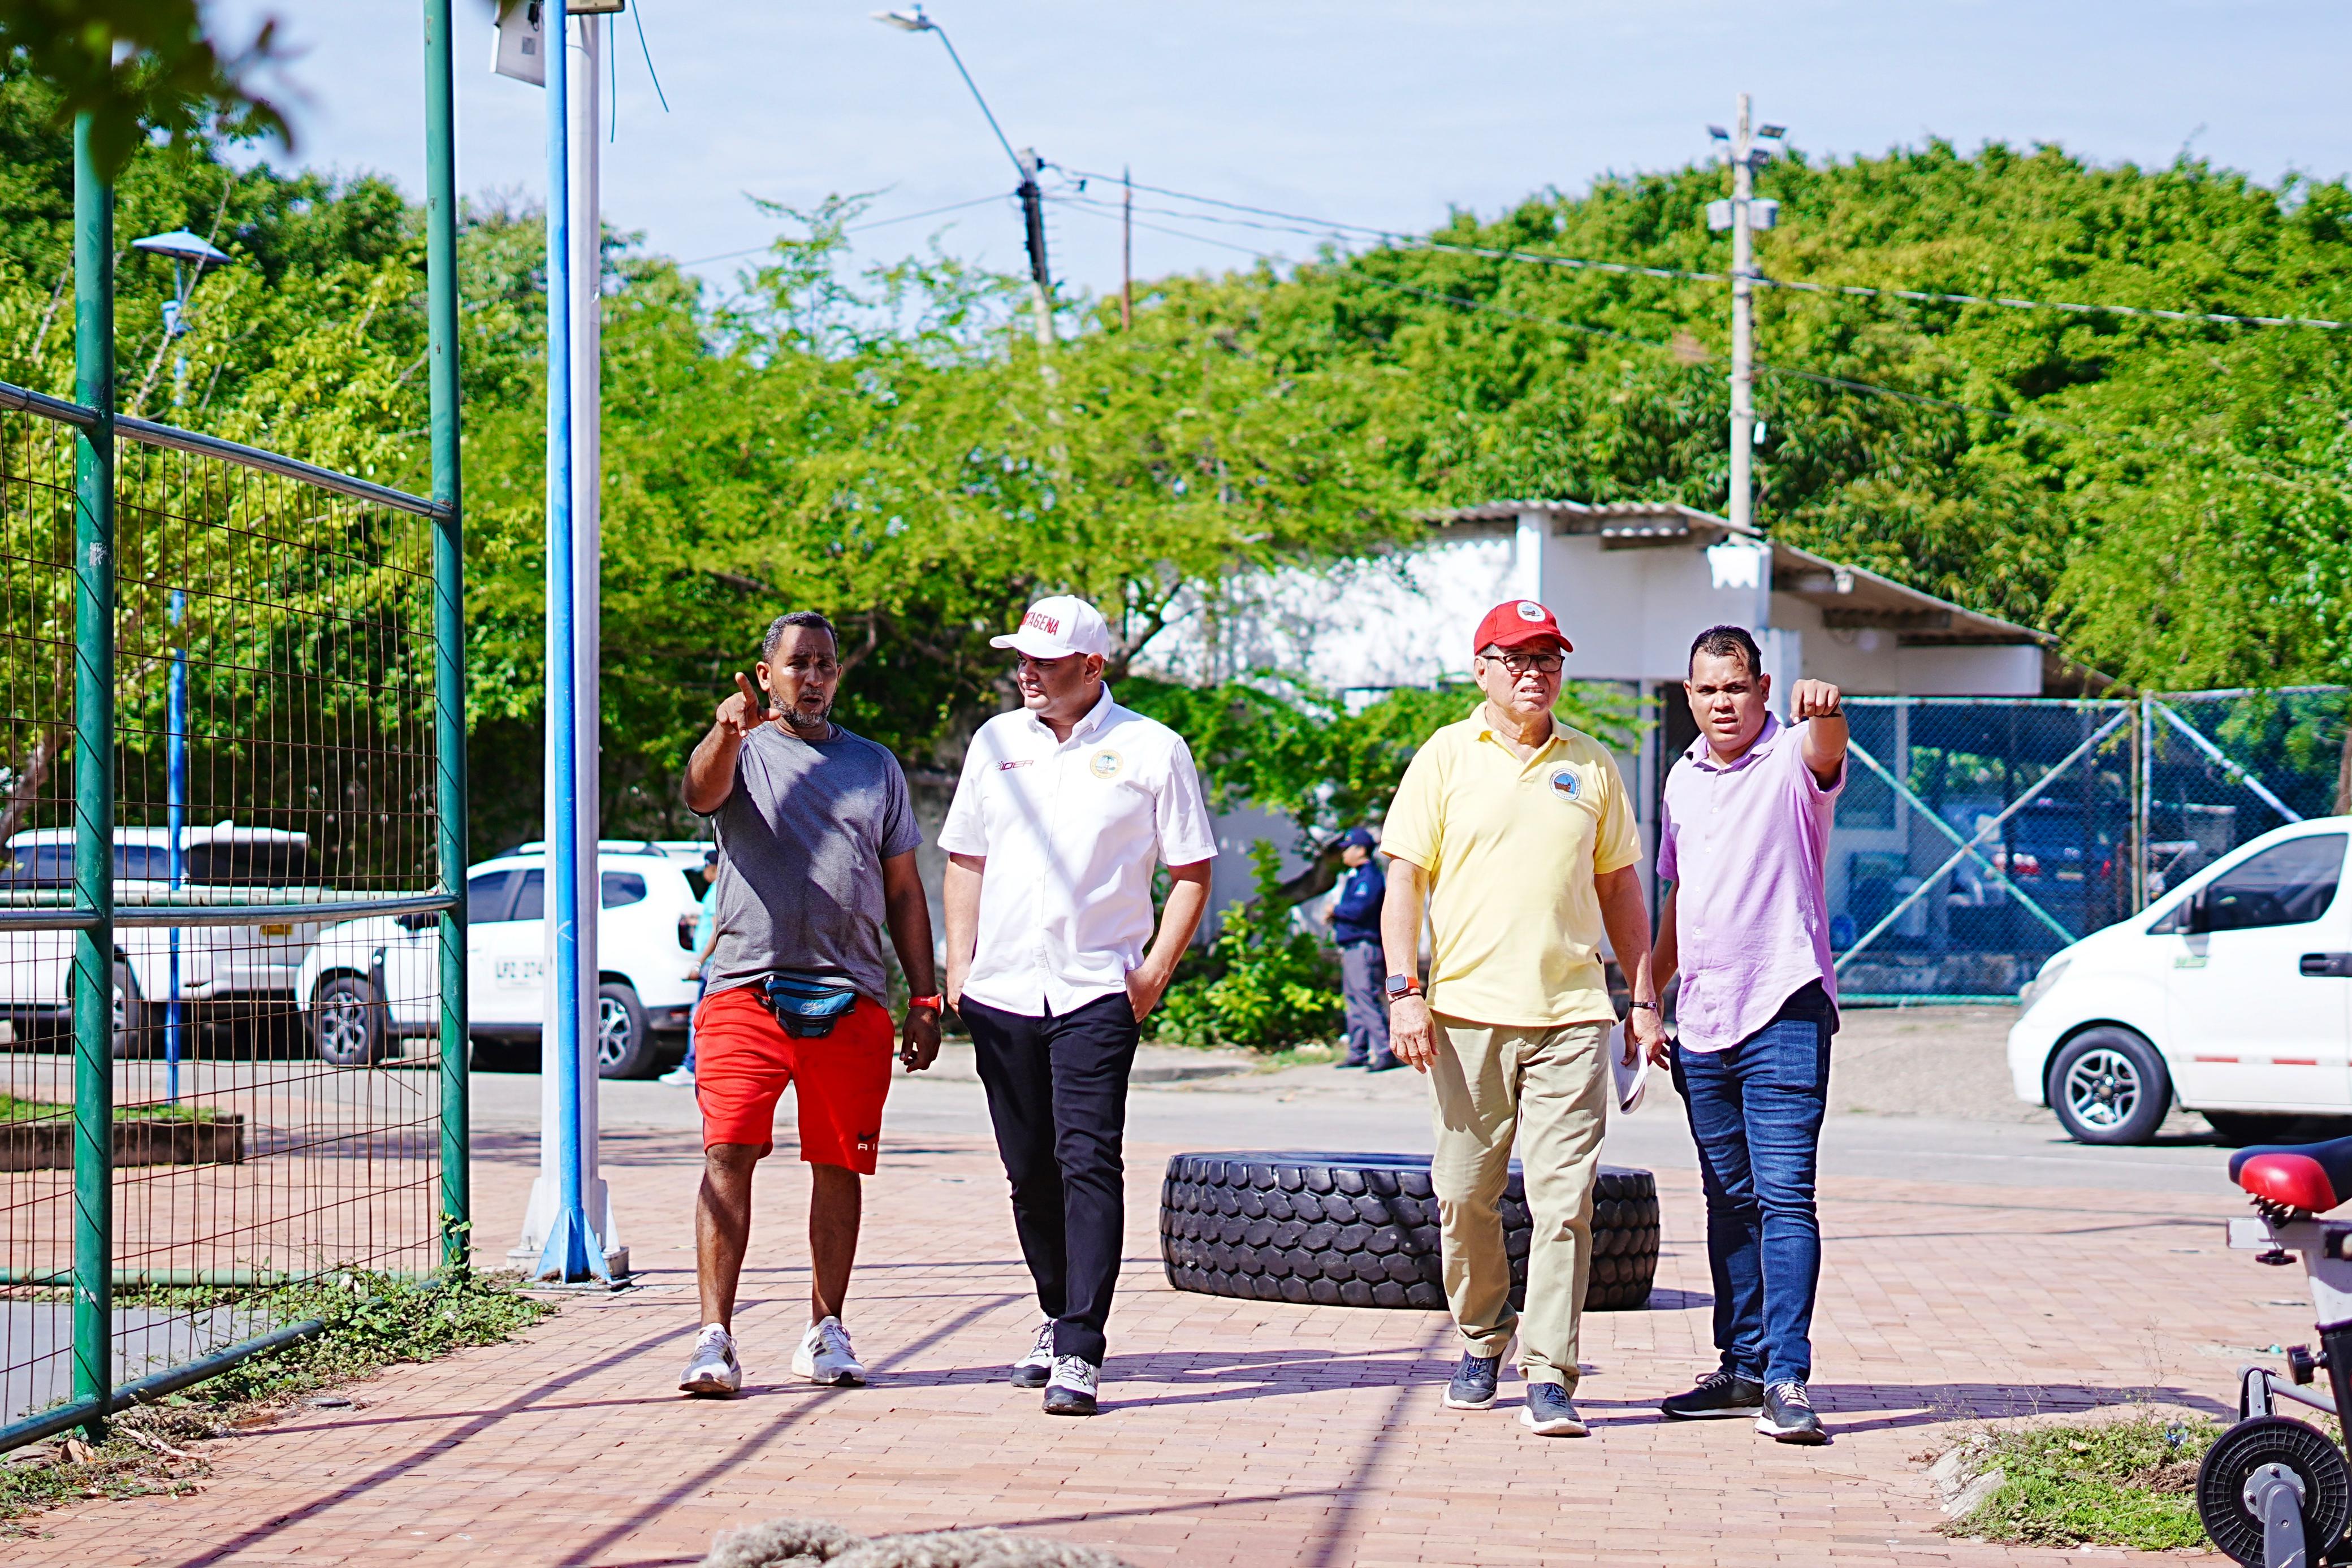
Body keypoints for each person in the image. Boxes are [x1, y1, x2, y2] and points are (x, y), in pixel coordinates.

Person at [1378, 599, 1666, 1439]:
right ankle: (1481, 1336)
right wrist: (1403, 989)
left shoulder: (1592, 763)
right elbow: (1405, 881)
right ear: (1482, 670)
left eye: (1548, 658)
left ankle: (1549, 1370)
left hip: (1572, 1014)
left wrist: (1642, 997)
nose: (1534, 672)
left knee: (1564, 1200)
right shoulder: (1444, 756)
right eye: (1517, 658)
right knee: (1464, 1193)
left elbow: (1620, 887)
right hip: (1464, 1013)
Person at [940, 594, 1217, 1417]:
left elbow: (1192, 870)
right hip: (1001, 992)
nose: (1026, 673)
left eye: (1045, 661)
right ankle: (1055, 1310)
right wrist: (959, 967)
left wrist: (1153, 973)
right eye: (1020, 658)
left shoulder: (1152, 748)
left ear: (1092, 666)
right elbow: (965, 857)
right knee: (1028, 1170)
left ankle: (1080, 1345)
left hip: (1098, 987)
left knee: (1087, 1159)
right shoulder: (995, 741)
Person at [673, 610, 943, 1398]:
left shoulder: (874, 766)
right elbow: (698, 791)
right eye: (799, 664)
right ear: (766, 675)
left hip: (849, 995)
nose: (814, 677)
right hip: (745, 989)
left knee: (840, 1161)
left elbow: (904, 889)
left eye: (826, 663)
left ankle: (826, 1328)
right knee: (728, 1153)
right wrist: (725, 732)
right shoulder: (743, 749)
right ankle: (714, 1338)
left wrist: (924, 995)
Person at [1649, 625, 1847, 1445]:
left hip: (1784, 1006)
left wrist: (1825, 711)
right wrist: (1644, 995)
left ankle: (1786, 1378)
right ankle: (1741, 1367)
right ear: (1688, 696)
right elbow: (1680, 895)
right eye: (1707, 690)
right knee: (1728, 1202)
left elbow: (1828, 750)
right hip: (1702, 1020)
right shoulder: (1681, 777)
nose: (1722, 703)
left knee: (1784, 1196)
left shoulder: (1794, 755)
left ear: (1763, 689)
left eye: (1735, 687)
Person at [1321, 826, 1397, 1071]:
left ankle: (1385, 1051)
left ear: (1361, 850)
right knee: (1354, 1000)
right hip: (1352, 947)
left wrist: (1335, 910)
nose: (1343, 854)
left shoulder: (1369, 876)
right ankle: (1358, 1051)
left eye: (1347, 849)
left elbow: (1361, 909)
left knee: (1366, 997)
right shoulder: (1355, 877)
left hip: (1364, 947)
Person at [658, 848, 723, 1088]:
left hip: (710, 964)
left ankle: (692, 1065)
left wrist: (699, 962)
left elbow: (716, 929)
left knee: (700, 1016)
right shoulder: (718, 890)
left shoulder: (717, 890)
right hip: (711, 963)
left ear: (712, 868)